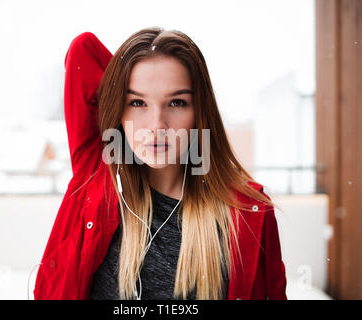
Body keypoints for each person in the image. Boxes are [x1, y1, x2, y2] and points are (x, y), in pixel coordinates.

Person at [33, 28, 287, 300]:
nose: (157, 126)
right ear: (118, 109)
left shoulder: (248, 212)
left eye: (176, 102)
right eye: (137, 102)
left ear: (200, 111)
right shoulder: (96, 172)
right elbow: (83, 49)